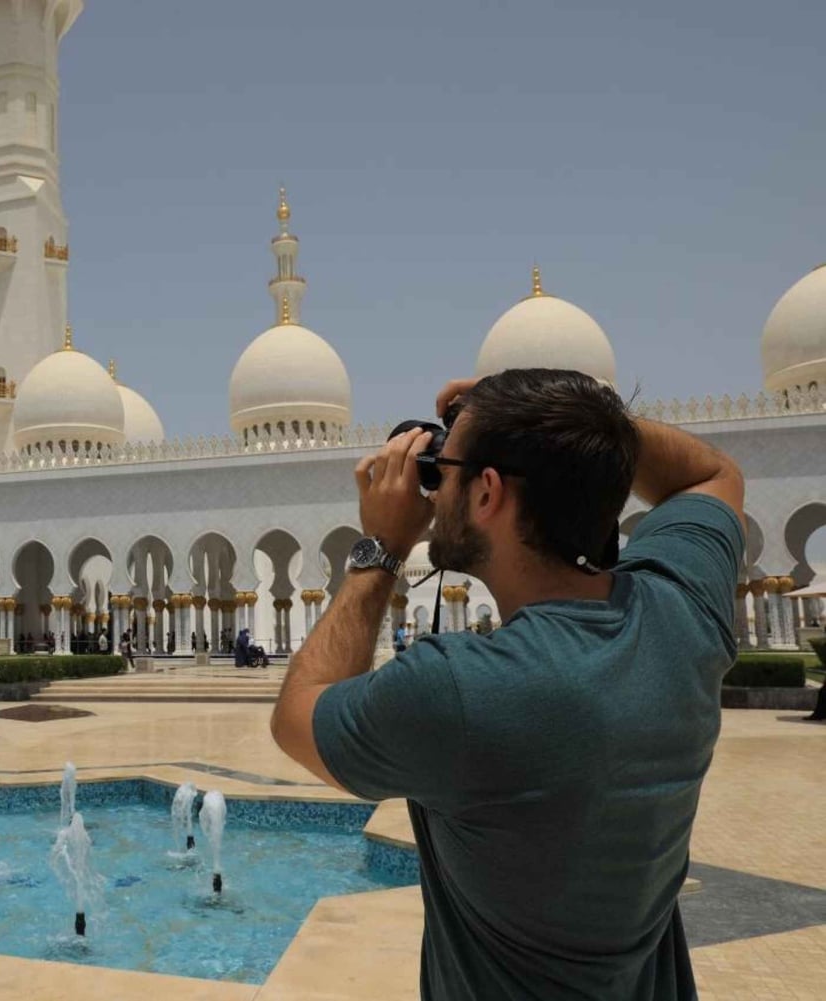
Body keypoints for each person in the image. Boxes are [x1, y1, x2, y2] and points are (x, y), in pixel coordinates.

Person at [270, 369, 744, 1000]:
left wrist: (381, 545)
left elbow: (296, 715)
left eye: (447, 467)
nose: (432, 489)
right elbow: (714, 476)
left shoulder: (459, 690)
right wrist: (575, 424)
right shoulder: (681, 614)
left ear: (488, 492)